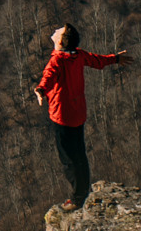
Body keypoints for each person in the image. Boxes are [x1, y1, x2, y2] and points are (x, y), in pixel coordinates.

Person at [35, 23, 125, 210]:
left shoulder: (57, 60)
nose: (55, 30)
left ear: (61, 41)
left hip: (62, 115)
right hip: (78, 113)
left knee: (68, 158)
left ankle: (77, 198)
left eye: (59, 31)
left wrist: (40, 90)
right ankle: (83, 190)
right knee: (79, 154)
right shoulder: (78, 55)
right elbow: (97, 61)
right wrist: (115, 59)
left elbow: (48, 76)